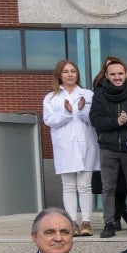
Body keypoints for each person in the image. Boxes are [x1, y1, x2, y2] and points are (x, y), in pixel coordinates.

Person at [89, 56, 127, 238]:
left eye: (120, 73)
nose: (117, 77)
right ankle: (109, 223)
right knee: (108, 188)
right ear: (106, 75)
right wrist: (116, 122)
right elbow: (95, 120)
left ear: (126, 74)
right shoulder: (98, 95)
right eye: (113, 74)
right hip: (108, 148)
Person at [42, 60, 99, 237]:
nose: (70, 75)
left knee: (85, 185)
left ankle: (87, 222)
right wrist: (66, 112)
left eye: (73, 71)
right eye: (65, 72)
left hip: (86, 145)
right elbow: (49, 120)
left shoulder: (88, 94)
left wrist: (81, 110)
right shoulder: (52, 97)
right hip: (65, 147)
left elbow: (94, 119)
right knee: (68, 186)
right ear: (59, 75)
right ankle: (72, 222)